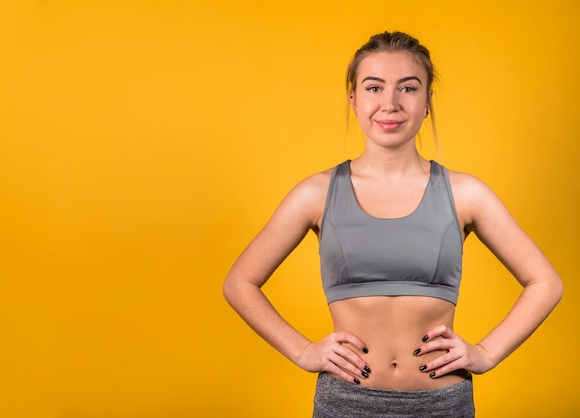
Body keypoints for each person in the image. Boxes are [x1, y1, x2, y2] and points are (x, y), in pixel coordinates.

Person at [222, 31, 563, 417]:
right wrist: (303, 350)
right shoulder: (316, 193)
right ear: (353, 99)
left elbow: (546, 283)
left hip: (441, 403)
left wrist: (485, 352)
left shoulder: (465, 193)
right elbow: (239, 283)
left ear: (428, 101)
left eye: (408, 88)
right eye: (374, 87)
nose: (390, 103)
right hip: (346, 402)